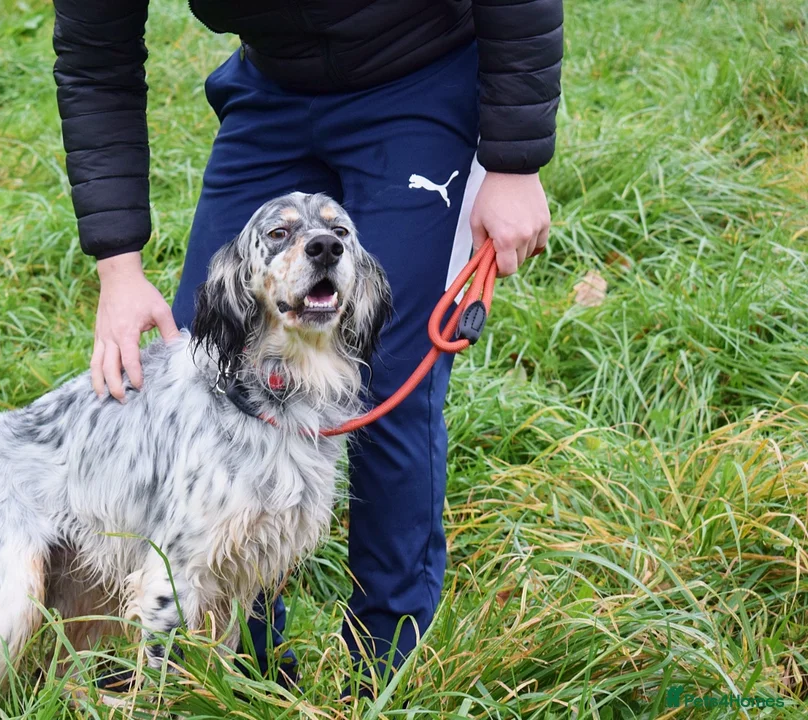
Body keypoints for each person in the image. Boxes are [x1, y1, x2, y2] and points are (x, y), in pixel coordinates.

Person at [51, 0, 561, 687]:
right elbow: (95, 58)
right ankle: (250, 674)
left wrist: (514, 161)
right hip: (275, 85)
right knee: (215, 375)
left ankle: (385, 674)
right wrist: (118, 267)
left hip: (421, 79)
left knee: (384, 381)